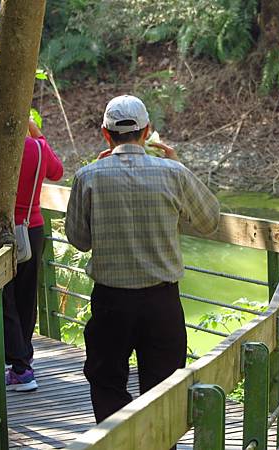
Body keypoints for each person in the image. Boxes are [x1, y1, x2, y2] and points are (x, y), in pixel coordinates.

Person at [65, 95, 220, 437]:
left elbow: (79, 239)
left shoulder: (88, 176)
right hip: (161, 303)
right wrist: (180, 173)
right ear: (147, 131)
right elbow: (210, 220)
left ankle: (116, 443)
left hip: (110, 301)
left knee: (107, 382)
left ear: (106, 134)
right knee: (163, 389)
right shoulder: (174, 173)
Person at [0, 118, 63, 391]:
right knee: (26, 298)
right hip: (33, 230)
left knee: (5, 299)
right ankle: (24, 359)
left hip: (1, 233)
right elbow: (57, 171)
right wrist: (39, 133)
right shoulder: (38, 149)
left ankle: (21, 369)